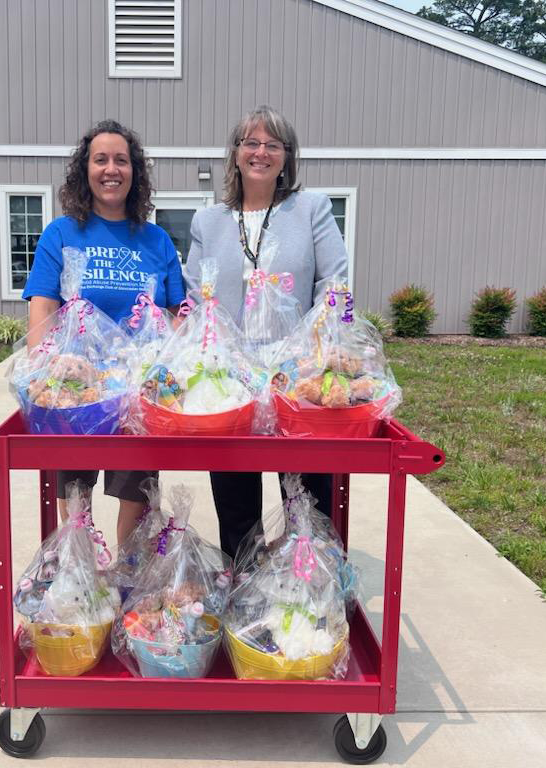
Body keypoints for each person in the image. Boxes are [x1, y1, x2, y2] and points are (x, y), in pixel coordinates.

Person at [185, 105, 349, 557]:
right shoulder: (208, 221)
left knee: (308, 495)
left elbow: (334, 285)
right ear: (235, 154)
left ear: (286, 157)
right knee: (235, 499)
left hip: (297, 377)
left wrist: (316, 353)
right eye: (251, 143)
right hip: (231, 381)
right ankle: (246, 594)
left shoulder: (311, 209)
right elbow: (200, 298)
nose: (261, 152)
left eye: (272, 144)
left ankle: (311, 585)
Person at [23, 119, 186, 543]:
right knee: (75, 492)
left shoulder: (156, 240)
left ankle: (126, 575)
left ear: (135, 173)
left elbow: (177, 317)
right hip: (79, 390)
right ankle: (84, 577)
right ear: (85, 170)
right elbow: (42, 310)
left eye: (121, 160)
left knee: (137, 492)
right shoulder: (61, 233)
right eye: (100, 160)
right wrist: (43, 377)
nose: (111, 169)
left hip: (137, 393)